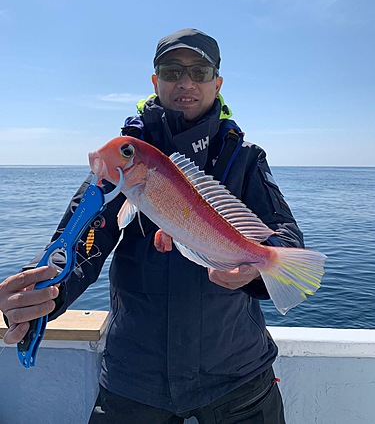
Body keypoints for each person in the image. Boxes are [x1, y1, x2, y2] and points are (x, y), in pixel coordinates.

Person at [0, 29, 304, 423]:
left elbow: (285, 239)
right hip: (135, 378)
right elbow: (82, 239)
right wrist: (44, 293)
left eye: (200, 70)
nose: (186, 81)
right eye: (172, 70)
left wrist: (253, 274)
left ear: (218, 82)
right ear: (155, 80)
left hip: (238, 372)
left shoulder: (244, 158)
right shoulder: (124, 158)